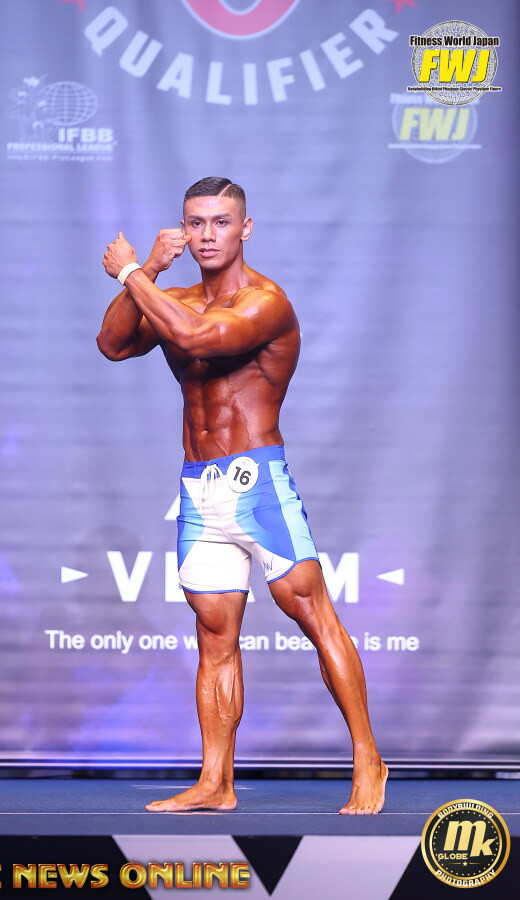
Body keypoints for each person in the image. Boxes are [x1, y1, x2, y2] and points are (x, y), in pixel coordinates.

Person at [98, 176, 388, 814]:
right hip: (198, 486)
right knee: (213, 633)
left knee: (311, 613)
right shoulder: (171, 297)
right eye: (195, 223)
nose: (207, 235)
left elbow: (198, 340)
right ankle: (215, 782)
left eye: (221, 222)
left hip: (258, 481)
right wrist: (149, 271)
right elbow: (113, 345)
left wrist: (130, 275)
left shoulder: (266, 302)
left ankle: (368, 756)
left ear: (245, 228)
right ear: (183, 229)